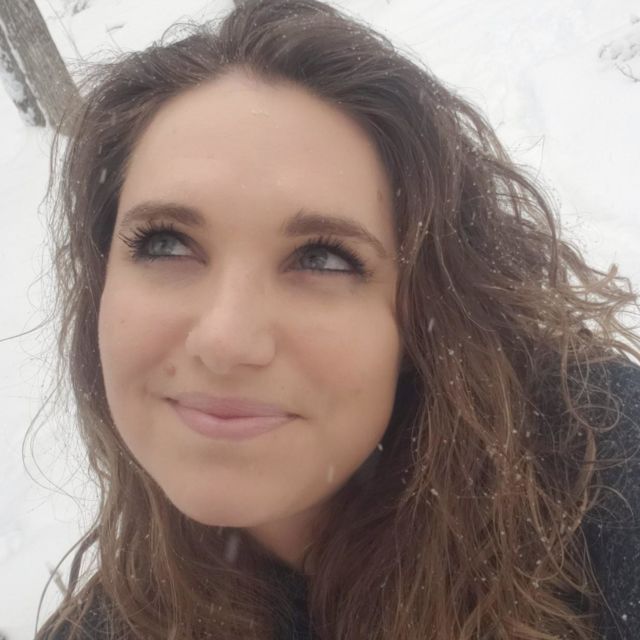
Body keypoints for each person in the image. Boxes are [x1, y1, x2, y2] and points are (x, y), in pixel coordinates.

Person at [33, 0, 640, 638]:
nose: (225, 339)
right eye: (165, 244)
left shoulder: (606, 475)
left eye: (322, 258)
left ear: (426, 310)